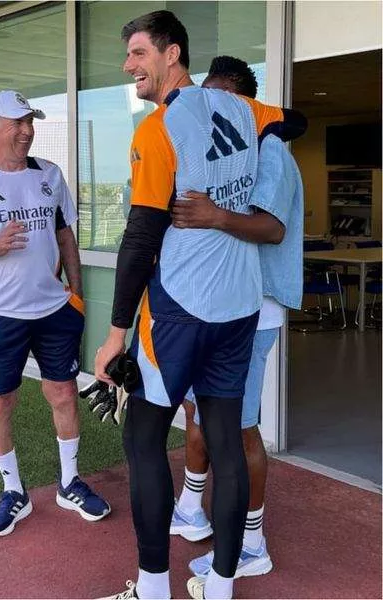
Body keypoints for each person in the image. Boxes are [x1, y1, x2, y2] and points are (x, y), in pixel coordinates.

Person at [94, 11, 306, 600]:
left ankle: (155, 587)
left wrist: (115, 333)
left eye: (139, 53)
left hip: (180, 312)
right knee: (227, 439)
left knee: (142, 440)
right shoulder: (248, 113)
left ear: (172, 54)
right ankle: (220, 587)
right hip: (239, 311)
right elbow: (297, 119)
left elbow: (140, 236)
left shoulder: (159, 128)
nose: (129, 65)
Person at [0, 90, 110, 537]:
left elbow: (66, 236)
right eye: (17, 122)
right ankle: (14, 492)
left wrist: (77, 294)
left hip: (55, 310)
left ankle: (69, 482)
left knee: (64, 394)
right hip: (0, 314)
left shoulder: (49, 174)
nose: (27, 130)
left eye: (30, 121)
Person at [169, 56, 304, 585]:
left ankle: (252, 543)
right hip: (220, 305)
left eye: (222, 98)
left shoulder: (271, 148)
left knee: (240, 430)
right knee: (200, 414)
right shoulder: (226, 153)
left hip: (255, 309)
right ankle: (190, 508)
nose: (212, 108)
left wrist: (213, 215)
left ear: (246, 104)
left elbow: (270, 229)